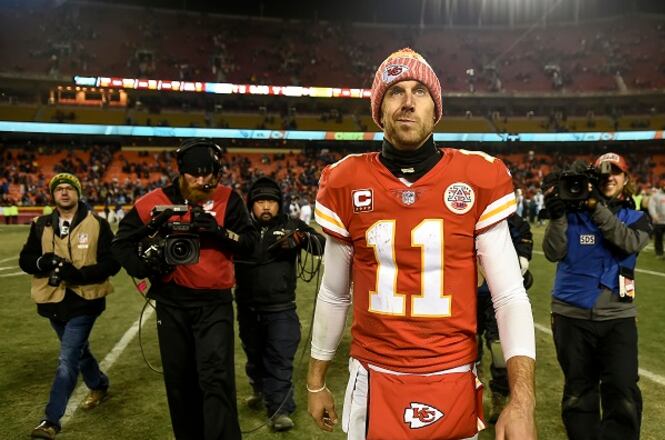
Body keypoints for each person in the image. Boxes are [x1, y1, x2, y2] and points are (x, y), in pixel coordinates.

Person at [307, 48, 537, 440]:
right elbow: (333, 293)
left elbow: (510, 295)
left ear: (436, 109)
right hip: (373, 375)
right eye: (395, 91)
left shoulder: (476, 176)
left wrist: (522, 401)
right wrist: (316, 381)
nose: (409, 102)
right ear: (379, 110)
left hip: (452, 373)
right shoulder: (345, 180)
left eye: (420, 92)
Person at [111, 139, 254, 440]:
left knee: (217, 379)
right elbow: (120, 245)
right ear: (180, 172)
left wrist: (218, 233)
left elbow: (251, 244)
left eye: (209, 174)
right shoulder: (154, 202)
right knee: (180, 382)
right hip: (171, 303)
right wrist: (147, 264)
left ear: (218, 173)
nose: (202, 181)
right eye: (194, 174)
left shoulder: (230, 198)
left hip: (214, 303)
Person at [542, 153, 651, 440]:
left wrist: (595, 208)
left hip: (618, 316)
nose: (610, 178)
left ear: (626, 179)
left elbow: (628, 242)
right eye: (604, 173)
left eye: (616, 172)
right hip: (570, 314)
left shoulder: (636, 218)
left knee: (623, 388)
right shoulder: (571, 213)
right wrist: (557, 216)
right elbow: (553, 252)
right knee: (579, 390)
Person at [18, 173, 121, 439]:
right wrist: (43, 262)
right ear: (53, 195)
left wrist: (82, 274)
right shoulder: (40, 224)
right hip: (52, 300)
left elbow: (113, 262)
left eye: (69, 188)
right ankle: (99, 384)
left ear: (78, 192)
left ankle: (50, 421)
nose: (64, 193)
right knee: (78, 351)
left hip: (86, 299)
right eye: (59, 189)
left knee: (67, 359)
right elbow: (26, 259)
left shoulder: (97, 223)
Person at [234, 177, 325, 431]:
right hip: (247, 307)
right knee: (254, 354)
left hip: (281, 308)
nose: (266, 207)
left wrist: (303, 240)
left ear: (279, 204)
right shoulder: (239, 228)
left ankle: (280, 409)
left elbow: (321, 246)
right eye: (260, 201)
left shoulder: (292, 224)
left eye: (271, 202)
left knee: (280, 359)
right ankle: (259, 389)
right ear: (251, 204)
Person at [476, 212, 534, 424]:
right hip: (465, 294)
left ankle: (499, 396)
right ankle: (471, 390)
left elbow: (522, 259)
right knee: (467, 346)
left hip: (497, 296)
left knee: (499, 349)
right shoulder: (462, 211)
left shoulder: (513, 221)